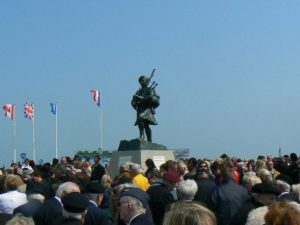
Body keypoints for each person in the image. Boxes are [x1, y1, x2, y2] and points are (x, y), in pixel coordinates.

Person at [131, 71, 160, 142]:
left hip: (147, 108)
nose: (141, 82)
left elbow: (151, 97)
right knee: (146, 125)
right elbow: (133, 101)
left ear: (146, 81)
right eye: (140, 81)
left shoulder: (150, 89)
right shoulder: (139, 91)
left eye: (142, 80)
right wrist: (134, 101)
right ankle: (149, 139)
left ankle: (142, 136)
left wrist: (142, 98)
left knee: (140, 117)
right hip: (140, 108)